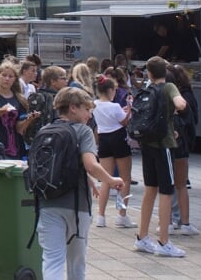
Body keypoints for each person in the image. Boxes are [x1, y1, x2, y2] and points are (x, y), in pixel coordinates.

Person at [37, 87, 123, 280]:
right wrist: (111, 180)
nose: (89, 114)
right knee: (76, 262)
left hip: (46, 204)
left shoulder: (45, 130)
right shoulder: (83, 132)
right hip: (76, 206)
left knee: (52, 259)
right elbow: (91, 164)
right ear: (73, 108)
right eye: (87, 109)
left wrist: (88, 178)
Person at [133, 56, 187, 258]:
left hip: (147, 142)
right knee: (166, 191)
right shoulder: (168, 87)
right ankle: (164, 241)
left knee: (150, 189)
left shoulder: (147, 88)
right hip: (164, 144)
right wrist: (178, 106)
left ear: (149, 73)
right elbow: (180, 104)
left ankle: (142, 236)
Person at [92, 77, 134, 229]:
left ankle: (100, 216)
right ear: (110, 90)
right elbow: (124, 122)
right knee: (125, 179)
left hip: (103, 139)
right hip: (118, 139)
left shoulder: (94, 105)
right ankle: (122, 215)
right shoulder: (115, 105)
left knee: (106, 179)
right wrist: (128, 110)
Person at [168, 65, 199, 235]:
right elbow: (191, 120)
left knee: (167, 185)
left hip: (166, 145)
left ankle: (169, 222)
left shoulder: (162, 96)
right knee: (181, 185)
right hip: (181, 146)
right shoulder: (186, 97)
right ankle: (184, 222)